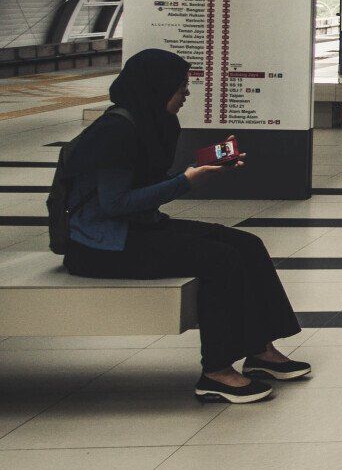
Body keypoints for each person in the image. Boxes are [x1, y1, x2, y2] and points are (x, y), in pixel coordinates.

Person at [60, 49, 308, 403]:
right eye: (180, 87)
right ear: (156, 88)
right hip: (101, 247)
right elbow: (114, 205)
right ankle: (217, 372)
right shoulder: (116, 132)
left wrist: (198, 170)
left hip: (137, 229)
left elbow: (141, 191)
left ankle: (261, 349)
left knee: (247, 244)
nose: (186, 94)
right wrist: (187, 181)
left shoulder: (147, 123)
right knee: (219, 259)